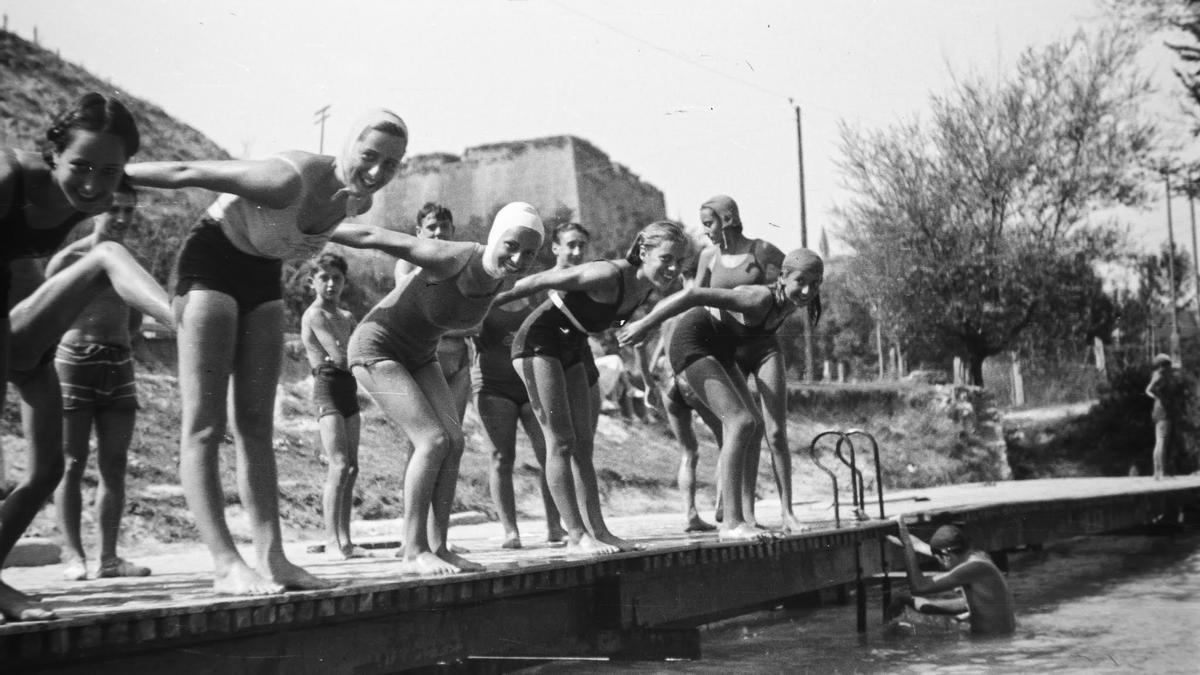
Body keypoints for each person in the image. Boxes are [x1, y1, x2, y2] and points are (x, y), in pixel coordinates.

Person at [124, 108, 409, 595]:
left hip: (261, 276)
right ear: (347, 144)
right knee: (205, 424)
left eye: (392, 165)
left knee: (256, 425)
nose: (378, 172)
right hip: (210, 262)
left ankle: (273, 559)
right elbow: (185, 173)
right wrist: (102, 173)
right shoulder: (287, 178)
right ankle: (224, 563)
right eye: (370, 157)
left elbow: (347, 235)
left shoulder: (355, 202)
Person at [2, 92, 173, 622]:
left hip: (20, 330)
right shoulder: (9, 177)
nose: (95, 185)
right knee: (105, 256)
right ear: (53, 154)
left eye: (110, 171)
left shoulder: (83, 196)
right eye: (81, 167)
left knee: (49, 468)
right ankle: (187, 323)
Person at [344, 201, 545, 575]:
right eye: (511, 246)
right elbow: (374, 235)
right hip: (376, 347)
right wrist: (312, 225)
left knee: (454, 441)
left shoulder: (505, 279)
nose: (518, 259)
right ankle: (413, 549)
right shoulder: (455, 257)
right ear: (495, 237)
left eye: (529, 253)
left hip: (421, 355)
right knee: (432, 440)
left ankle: (439, 546)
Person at [500, 220, 690, 555]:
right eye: (666, 259)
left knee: (583, 445)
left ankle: (598, 530)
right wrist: (477, 304)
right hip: (538, 341)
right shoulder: (606, 275)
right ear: (644, 252)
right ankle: (575, 535)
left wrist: (645, 377)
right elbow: (538, 281)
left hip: (574, 345)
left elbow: (616, 324)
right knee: (560, 442)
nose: (673, 268)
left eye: (679, 261)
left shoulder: (644, 290)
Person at [618, 248, 824, 541]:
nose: (807, 291)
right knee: (740, 423)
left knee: (752, 425)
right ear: (783, 277)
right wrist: (644, 324)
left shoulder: (789, 303)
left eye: (815, 284)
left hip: (720, 349)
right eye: (800, 281)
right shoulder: (757, 298)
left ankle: (741, 515)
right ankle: (731, 523)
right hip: (692, 343)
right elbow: (693, 296)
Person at [50, 184, 153, 581]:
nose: (123, 219)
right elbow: (47, 313)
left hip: (119, 364)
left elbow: (134, 320)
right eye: (115, 210)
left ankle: (109, 558)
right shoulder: (70, 259)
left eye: (130, 211)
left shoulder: (133, 262)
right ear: (96, 210)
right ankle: (73, 556)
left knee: (114, 465)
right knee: (70, 463)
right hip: (73, 363)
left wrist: (121, 344)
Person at [696, 195, 804, 532]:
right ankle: (746, 513)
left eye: (709, 223)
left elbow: (798, 276)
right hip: (729, 349)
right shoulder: (708, 257)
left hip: (764, 347)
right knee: (746, 429)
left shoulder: (763, 249)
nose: (705, 232)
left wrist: (784, 308)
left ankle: (788, 512)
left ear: (728, 219)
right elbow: (695, 301)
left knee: (775, 430)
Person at [300, 252, 367, 559]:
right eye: (324, 278)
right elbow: (341, 357)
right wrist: (345, 356)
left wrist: (347, 355)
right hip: (327, 388)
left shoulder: (347, 317)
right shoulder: (315, 316)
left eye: (336, 278)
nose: (330, 284)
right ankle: (330, 539)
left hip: (348, 390)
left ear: (344, 281)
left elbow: (351, 353)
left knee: (352, 468)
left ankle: (346, 539)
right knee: (338, 464)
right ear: (312, 281)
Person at [395, 203, 474, 422]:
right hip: (425, 357)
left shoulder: (464, 265)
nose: (439, 232)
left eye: (444, 226)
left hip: (458, 361)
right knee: (428, 435)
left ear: (453, 230)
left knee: (453, 434)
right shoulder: (408, 263)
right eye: (431, 227)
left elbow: (477, 323)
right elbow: (414, 315)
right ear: (418, 232)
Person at [886, 520, 1016, 635]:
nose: (940, 564)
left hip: (990, 645)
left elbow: (919, 587)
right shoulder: (977, 557)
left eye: (938, 560)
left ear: (946, 556)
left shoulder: (974, 567)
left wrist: (907, 545)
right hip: (993, 640)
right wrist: (886, 528)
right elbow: (918, 545)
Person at [1145, 353, 1185, 480]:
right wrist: (1158, 397)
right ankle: (1159, 472)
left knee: (1163, 441)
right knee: (1161, 441)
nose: (1169, 366)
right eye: (1167, 364)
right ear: (1162, 365)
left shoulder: (1162, 375)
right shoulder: (1160, 375)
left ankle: (1160, 471)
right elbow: (1148, 389)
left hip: (1163, 410)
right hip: (1163, 410)